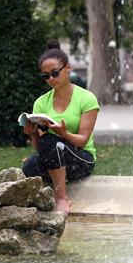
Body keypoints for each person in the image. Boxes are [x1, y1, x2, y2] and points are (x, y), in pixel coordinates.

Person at [22, 40, 100, 216]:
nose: (50, 79)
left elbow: (83, 140)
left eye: (54, 73)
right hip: (55, 156)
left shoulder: (87, 99)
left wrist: (64, 134)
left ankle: (62, 198)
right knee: (29, 167)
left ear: (68, 68)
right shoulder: (41, 102)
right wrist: (33, 134)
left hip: (81, 159)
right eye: (45, 76)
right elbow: (41, 147)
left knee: (53, 142)